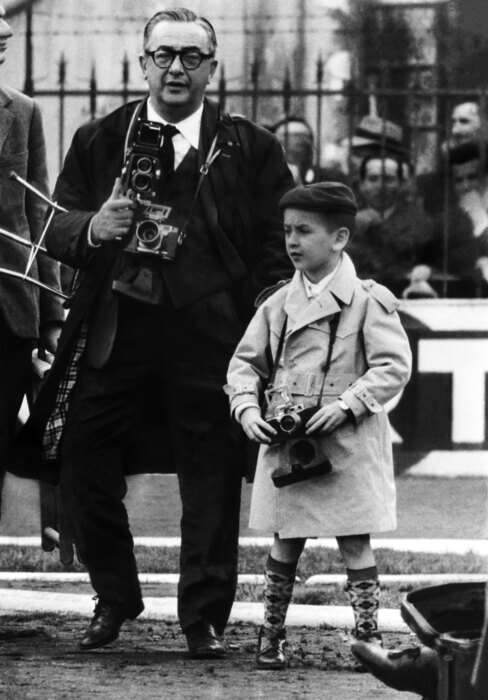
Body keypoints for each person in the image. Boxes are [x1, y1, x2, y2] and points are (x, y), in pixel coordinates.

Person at [11, 8, 293, 656]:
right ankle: (115, 595)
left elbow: (278, 249)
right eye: (163, 54)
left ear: (211, 68)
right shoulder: (99, 139)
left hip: (214, 338)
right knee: (80, 453)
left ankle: (203, 619)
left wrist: (264, 334)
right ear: (143, 64)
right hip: (117, 330)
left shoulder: (252, 146)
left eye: (191, 56)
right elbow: (53, 228)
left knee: (212, 475)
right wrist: (92, 228)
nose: (176, 67)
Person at [225, 181, 412, 669]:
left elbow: (393, 365)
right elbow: (244, 365)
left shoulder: (370, 302)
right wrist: (247, 409)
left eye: (304, 231)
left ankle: (368, 639)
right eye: (287, 230)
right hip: (291, 441)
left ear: (340, 238)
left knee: (355, 537)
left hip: (347, 441)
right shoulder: (276, 304)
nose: (292, 241)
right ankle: (271, 635)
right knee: (285, 538)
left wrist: (350, 404)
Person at [0, 4, 63, 513]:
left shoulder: (21, 111)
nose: (4, 31)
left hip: (9, 311)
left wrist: (51, 319)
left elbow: (38, 216)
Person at [349, 154, 436, 298]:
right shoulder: (346, 221)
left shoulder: (420, 221)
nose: (380, 186)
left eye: (388, 179)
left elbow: (428, 260)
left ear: (401, 184)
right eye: (373, 179)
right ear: (362, 185)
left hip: (402, 297)